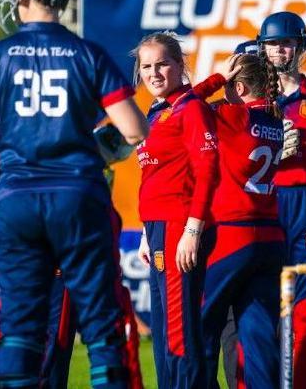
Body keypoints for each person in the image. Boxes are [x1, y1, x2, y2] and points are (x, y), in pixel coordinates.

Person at [0, 0, 149, 387]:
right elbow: (133, 130)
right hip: (78, 198)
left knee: (20, 329)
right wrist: (91, 150)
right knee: (100, 327)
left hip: (17, 200)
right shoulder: (87, 54)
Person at [0, 117, 144, 389]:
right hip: (44, 226)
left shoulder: (12, 91)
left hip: (37, 227)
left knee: (38, 340)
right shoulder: (8, 101)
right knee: (41, 340)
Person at [133, 32, 219, 389]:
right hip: (157, 228)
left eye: (162, 64)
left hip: (178, 226)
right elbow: (155, 175)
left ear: (180, 65)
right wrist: (143, 232)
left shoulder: (191, 108)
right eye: (146, 66)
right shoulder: (158, 111)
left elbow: (208, 169)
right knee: (165, 328)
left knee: (179, 329)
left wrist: (192, 229)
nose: (154, 73)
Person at [194, 53, 285, 389]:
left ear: (240, 85)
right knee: (259, 339)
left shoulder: (230, 114)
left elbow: (183, 105)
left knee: (199, 329)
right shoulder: (276, 119)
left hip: (232, 237)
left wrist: (216, 79)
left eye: (231, 85)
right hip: (270, 239)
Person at [257, 11, 306, 389]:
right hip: (261, 207)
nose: (279, 51)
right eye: (272, 44)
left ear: (301, 47)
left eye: (286, 43)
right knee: (256, 308)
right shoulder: (247, 102)